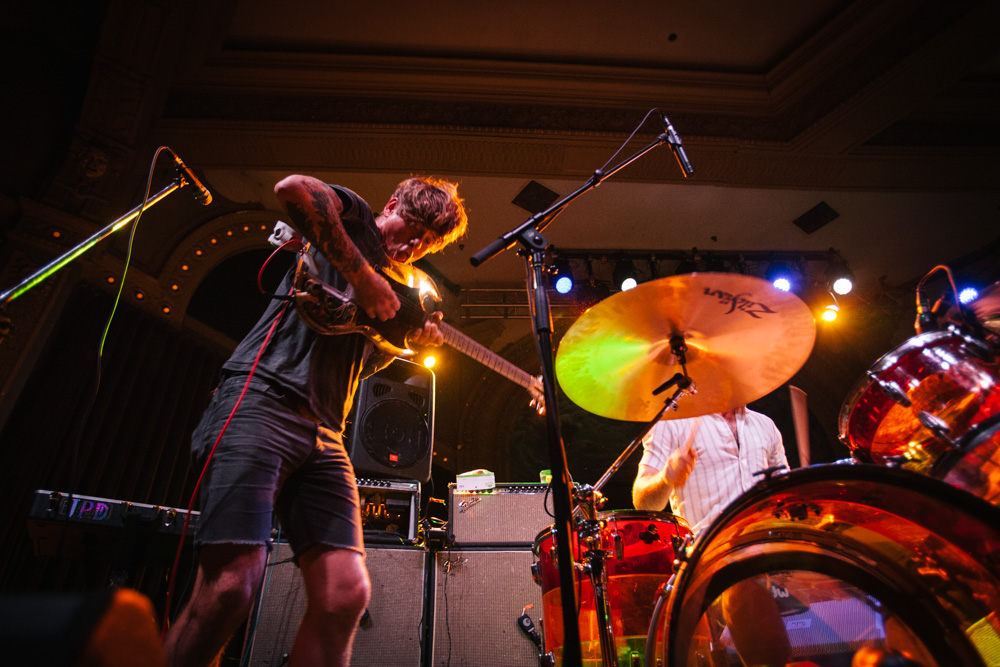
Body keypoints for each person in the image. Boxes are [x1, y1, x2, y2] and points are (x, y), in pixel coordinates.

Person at [163, 174, 468, 667]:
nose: (414, 247)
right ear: (392, 205)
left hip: (325, 432)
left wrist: (402, 341)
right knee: (230, 587)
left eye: (428, 243)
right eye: (412, 229)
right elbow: (293, 189)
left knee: (345, 595)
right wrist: (364, 277)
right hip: (263, 399)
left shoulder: (404, 290)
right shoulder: (357, 219)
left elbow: (359, 363)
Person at [632, 406, 789, 666]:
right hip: (708, 558)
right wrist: (666, 477)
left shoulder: (766, 425)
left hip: (768, 550)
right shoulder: (673, 422)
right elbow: (642, 501)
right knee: (743, 586)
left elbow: (784, 497)